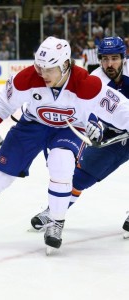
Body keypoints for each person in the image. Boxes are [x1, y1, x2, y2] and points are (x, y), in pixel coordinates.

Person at [0, 36, 129, 253]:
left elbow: (121, 110)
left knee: (62, 166)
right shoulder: (28, 77)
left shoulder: (87, 83)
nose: (43, 74)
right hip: (32, 125)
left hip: (69, 128)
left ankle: (56, 223)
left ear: (66, 64)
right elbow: (3, 102)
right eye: (40, 67)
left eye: (49, 69)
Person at [31, 36, 129, 238]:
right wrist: (95, 125)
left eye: (114, 58)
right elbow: (86, 110)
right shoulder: (96, 79)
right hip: (112, 136)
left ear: (123, 58)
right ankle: (54, 210)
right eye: (105, 59)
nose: (109, 64)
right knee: (81, 177)